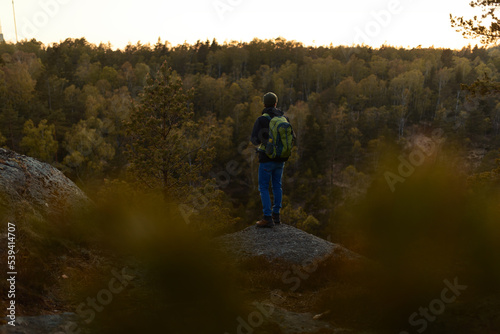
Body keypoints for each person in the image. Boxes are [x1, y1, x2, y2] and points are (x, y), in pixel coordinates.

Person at [251, 92, 294, 228]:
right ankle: (276, 215)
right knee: (277, 186)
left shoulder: (262, 120)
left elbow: (254, 140)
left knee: (263, 187)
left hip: (266, 159)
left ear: (264, 104)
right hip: (280, 159)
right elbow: (292, 137)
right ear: (276, 104)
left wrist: (264, 141)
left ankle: (267, 218)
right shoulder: (283, 118)